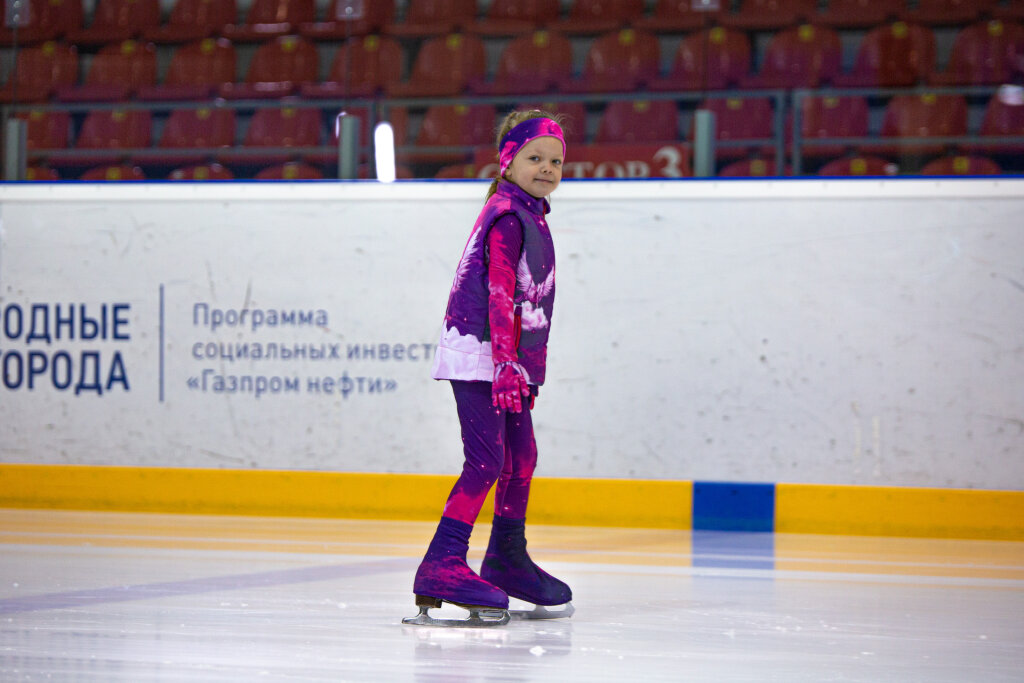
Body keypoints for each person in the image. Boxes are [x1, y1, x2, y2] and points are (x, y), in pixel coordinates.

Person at [403, 110, 573, 628]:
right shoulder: (507, 216)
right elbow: (498, 292)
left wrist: (520, 365)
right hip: (482, 354)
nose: (547, 169)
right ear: (508, 162)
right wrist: (504, 365)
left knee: (522, 455)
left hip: (507, 360)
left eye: (556, 161)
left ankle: (506, 556)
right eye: (535, 158)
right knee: (486, 460)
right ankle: (442, 564)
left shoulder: (530, 214)